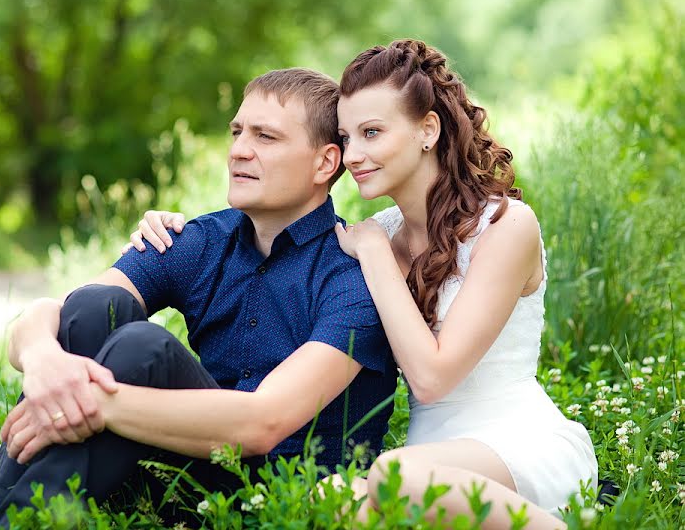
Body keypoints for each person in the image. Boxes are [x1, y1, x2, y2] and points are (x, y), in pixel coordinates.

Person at [130, 40, 598, 528]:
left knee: (396, 476)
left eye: (372, 133)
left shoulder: (504, 226)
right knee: (331, 495)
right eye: (347, 138)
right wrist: (167, 230)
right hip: (428, 454)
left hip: (513, 442)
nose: (354, 155)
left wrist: (377, 255)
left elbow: (434, 379)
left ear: (428, 130)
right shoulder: (376, 231)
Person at [0, 68, 398, 529]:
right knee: (95, 304)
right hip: (182, 473)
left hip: (284, 501)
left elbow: (261, 426)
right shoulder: (203, 241)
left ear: (323, 163)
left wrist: (92, 405)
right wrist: (42, 359)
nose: (239, 149)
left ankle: (12, 522)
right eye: (237, 132)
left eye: (266, 137)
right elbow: (61, 314)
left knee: (143, 349)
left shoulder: (352, 276)